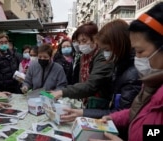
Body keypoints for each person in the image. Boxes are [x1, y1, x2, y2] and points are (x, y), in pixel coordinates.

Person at [60, 19, 142, 140]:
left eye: (107, 50)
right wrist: (83, 113)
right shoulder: (119, 66)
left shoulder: (133, 74)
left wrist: (84, 112)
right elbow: (123, 112)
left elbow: (124, 113)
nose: (105, 54)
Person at [92, 2, 163, 141]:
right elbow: (142, 114)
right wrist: (113, 118)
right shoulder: (152, 84)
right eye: (134, 51)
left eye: (140, 51)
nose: (137, 59)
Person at [51, 22, 114, 109]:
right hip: (86, 102)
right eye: (79, 42)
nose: (81, 45)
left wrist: (63, 92)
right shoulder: (84, 57)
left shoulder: (103, 56)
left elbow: (91, 85)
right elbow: (81, 82)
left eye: (84, 41)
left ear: (95, 39)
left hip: (100, 104)